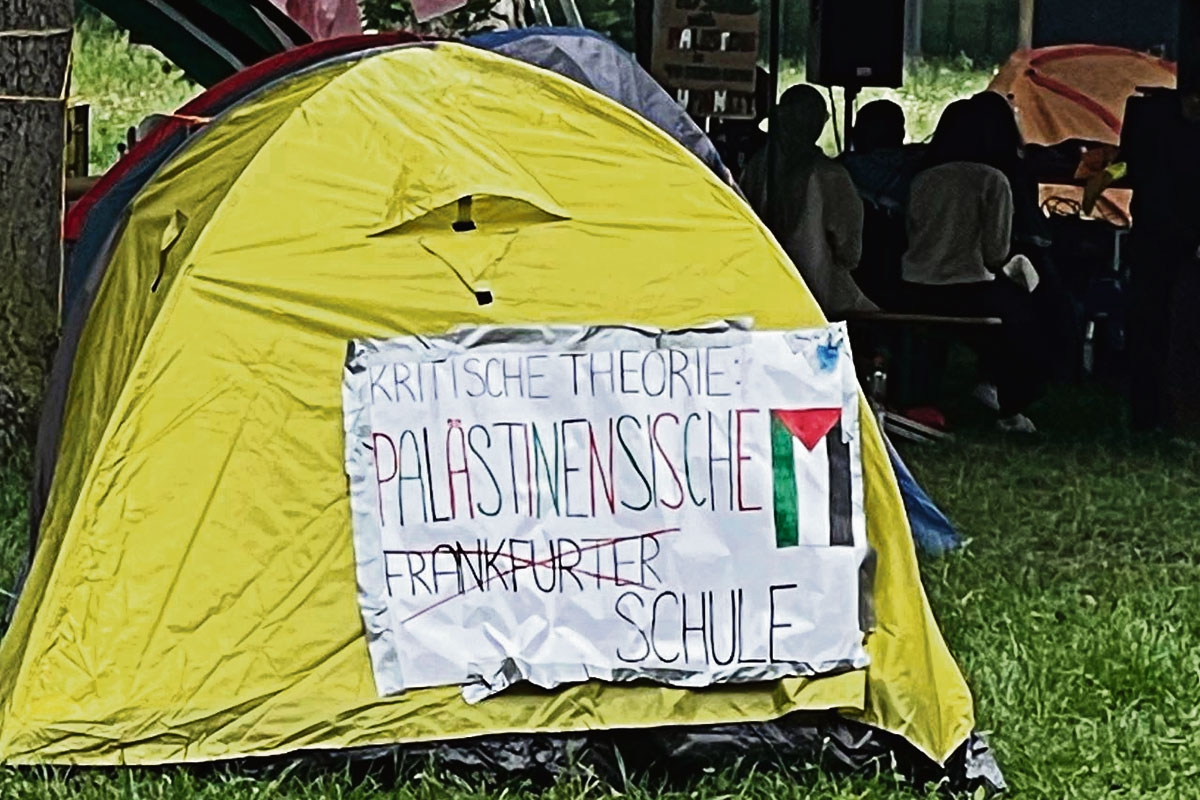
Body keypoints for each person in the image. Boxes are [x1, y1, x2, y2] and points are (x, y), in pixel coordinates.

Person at [900, 99, 1050, 433]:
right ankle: (1010, 403)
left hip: (915, 286)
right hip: (970, 288)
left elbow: (912, 233)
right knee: (1033, 319)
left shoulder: (923, 178)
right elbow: (995, 253)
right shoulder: (993, 180)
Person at [970, 90, 1083, 382]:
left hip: (928, 275)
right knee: (1051, 299)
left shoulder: (930, 175)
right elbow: (1008, 243)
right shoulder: (1005, 175)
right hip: (989, 271)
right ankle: (1055, 371)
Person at [740, 85, 877, 318]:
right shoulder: (829, 175)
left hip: (761, 280)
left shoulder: (758, 165)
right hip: (818, 289)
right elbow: (848, 247)